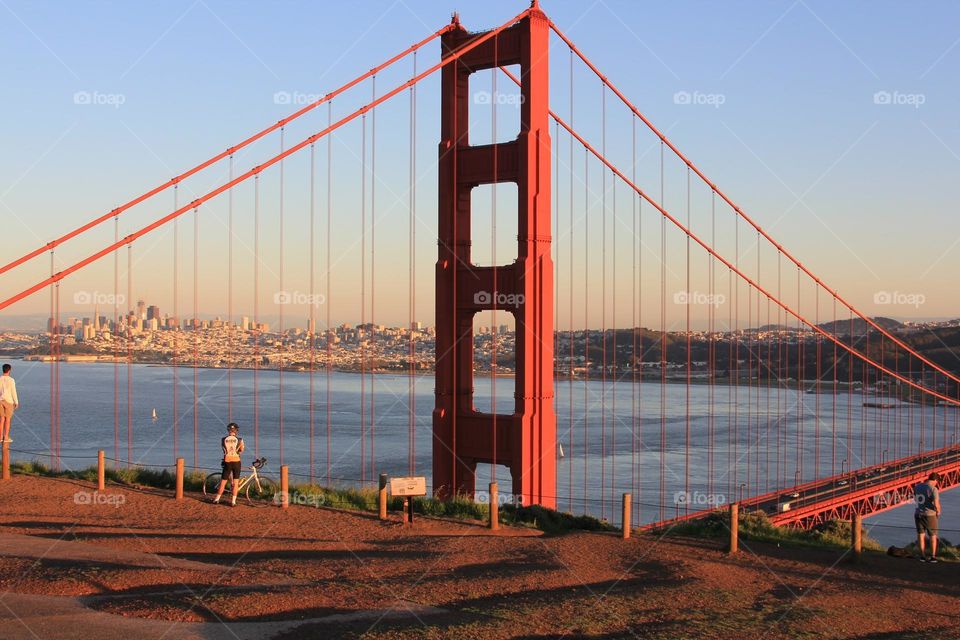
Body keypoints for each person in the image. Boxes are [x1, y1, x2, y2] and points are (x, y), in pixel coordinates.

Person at [213, 422, 245, 506]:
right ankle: (233, 502)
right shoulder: (240, 440)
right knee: (236, 482)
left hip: (227, 461)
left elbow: (223, 450)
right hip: (236, 462)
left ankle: (217, 499)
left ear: (228, 430)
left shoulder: (223, 439)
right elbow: (241, 450)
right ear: (236, 430)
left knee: (223, 481)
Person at [914, 472, 941, 563]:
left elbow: (916, 499)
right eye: (937, 481)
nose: (937, 483)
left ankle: (922, 556)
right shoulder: (933, 489)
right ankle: (933, 557)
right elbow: (936, 504)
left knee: (921, 535)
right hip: (930, 515)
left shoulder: (917, 487)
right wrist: (938, 511)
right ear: (935, 480)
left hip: (918, 514)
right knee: (933, 536)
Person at [0, 364, 19, 443]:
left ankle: (0, 437)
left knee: (2, 419)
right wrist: (16, 402)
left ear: (3, 369)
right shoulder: (11, 380)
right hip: (9, 401)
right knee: (8, 420)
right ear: (9, 370)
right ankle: (6, 437)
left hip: (0, 401)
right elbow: (13, 391)